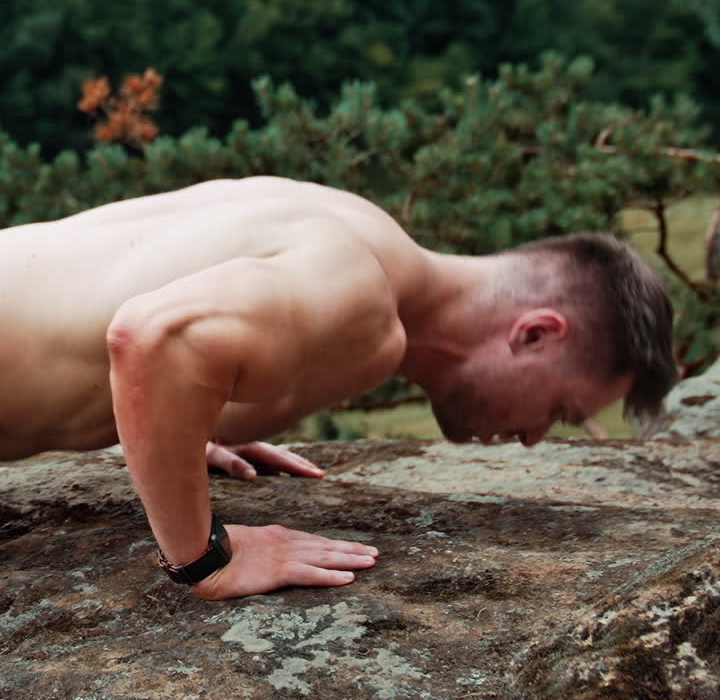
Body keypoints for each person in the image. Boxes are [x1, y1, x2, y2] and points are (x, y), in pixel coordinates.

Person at [0, 176, 676, 600]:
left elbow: (117, 275)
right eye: (558, 410)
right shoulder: (364, 301)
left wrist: (174, 432)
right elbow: (152, 338)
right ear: (534, 334)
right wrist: (204, 556)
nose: (533, 439)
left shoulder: (358, 223)